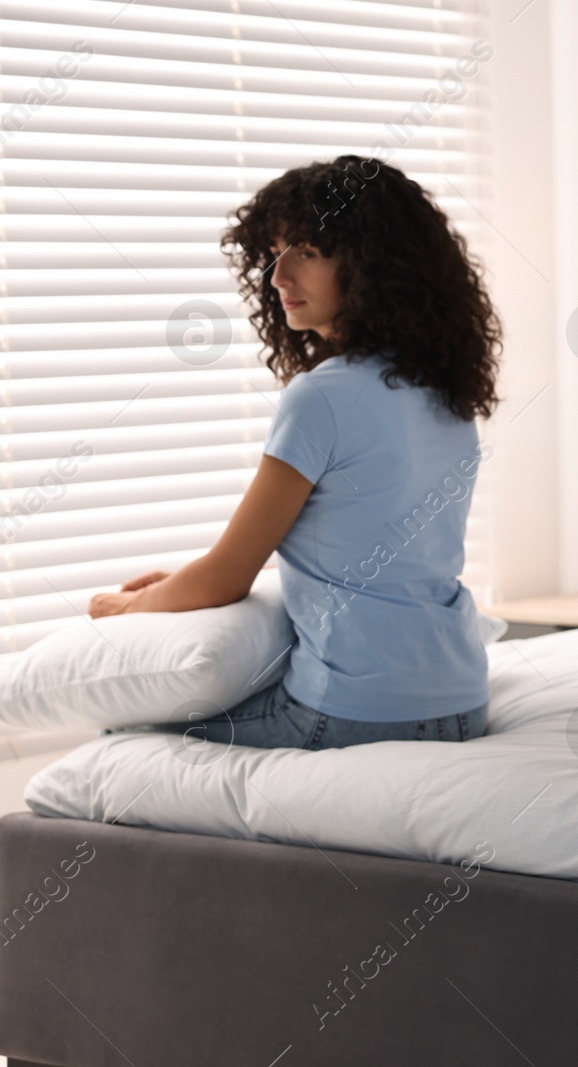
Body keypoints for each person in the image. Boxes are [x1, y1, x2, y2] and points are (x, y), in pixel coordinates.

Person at [88, 155, 503, 753]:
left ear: (371, 265)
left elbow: (229, 576)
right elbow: (364, 550)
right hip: (464, 704)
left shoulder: (320, 397)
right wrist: (178, 583)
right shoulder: (446, 393)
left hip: (351, 714)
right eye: (277, 253)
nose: (278, 276)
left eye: (307, 251)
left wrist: (129, 608)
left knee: (121, 735)